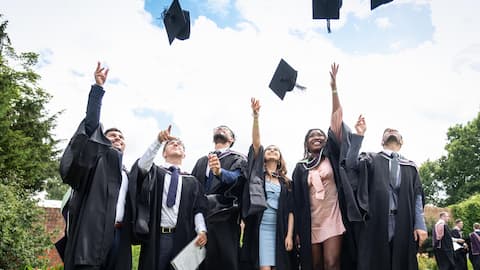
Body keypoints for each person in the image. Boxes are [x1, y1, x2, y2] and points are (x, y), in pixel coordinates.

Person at [58, 62, 132, 270]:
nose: (117, 138)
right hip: (92, 235)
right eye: (112, 135)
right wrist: (97, 91)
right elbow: (90, 128)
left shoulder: (127, 173)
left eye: (121, 136)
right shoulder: (95, 161)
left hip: (119, 237)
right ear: (102, 141)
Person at [292, 63, 365, 270]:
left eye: (320, 135)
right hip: (310, 220)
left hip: (332, 217)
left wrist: (334, 89)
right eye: (312, 136)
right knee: (314, 265)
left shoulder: (331, 157)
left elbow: (336, 119)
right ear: (306, 143)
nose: (317, 137)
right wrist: (298, 229)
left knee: (331, 263)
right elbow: (296, 199)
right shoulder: (301, 167)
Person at [345, 124, 428, 269]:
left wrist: (420, 225)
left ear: (402, 142)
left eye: (395, 131)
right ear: (382, 142)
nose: (391, 131)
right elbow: (350, 165)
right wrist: (358, 136)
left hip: (403, 222)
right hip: (375, 222)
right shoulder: (370, 159)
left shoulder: (410, 167)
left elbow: (418, 198)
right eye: (387, 131)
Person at [130, 126, 208, 270]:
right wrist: (158, 141)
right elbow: (141, 166)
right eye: (171, 143)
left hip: (183, 236)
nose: (176, 144)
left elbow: (198, 209)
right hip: (157, 236)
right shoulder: (155, 172)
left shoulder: (192, 181)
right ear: (164, 153)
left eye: (180, 144)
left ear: (184, 154)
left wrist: (201, 230)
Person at [241, 98, 295, 270]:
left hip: (280, 227)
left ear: (280, 158)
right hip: (262, 226)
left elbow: (291, 211)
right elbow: (257, 144)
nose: (271, 150)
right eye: (269, 149)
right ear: (264, 156)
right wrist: (256, 116)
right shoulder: (258, 176)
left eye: (276, 149)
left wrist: (290, 235)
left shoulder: (286, 182)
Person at [191, 124, 247, 270]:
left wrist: (219, 172)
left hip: (225, 217)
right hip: (201, 218)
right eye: (218, 127)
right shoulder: (202, 161)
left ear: (232, 139)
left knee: (226, 261)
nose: (221, 129)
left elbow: (236, 178)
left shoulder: (238, 158)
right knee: (200, 262)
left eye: (226, 129)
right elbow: (193, 188)